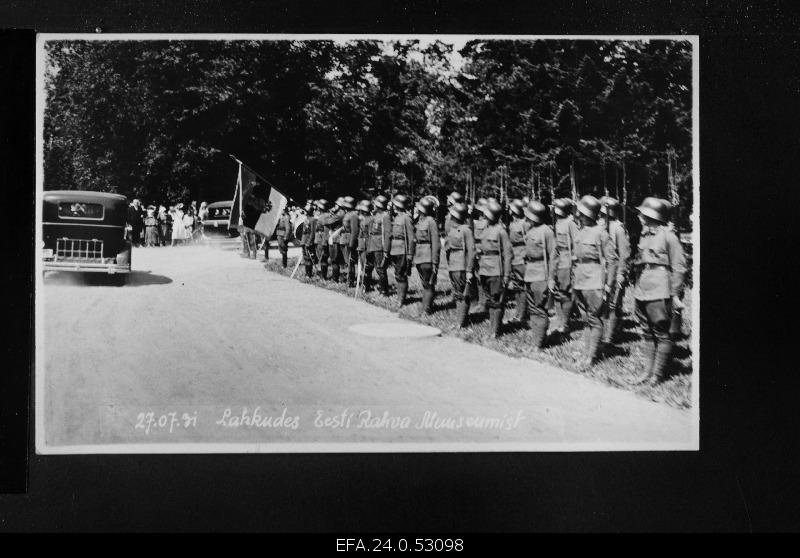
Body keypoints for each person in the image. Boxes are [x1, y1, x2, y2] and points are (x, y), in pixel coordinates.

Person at [630, 197, 687, 386]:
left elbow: (679, 267)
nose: (639, 215)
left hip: (660, 289)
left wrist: (675, 294)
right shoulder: (645, 235)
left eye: (642, 213)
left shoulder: (669, 236)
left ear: (651, 215)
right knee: (647, 332)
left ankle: (658, 374)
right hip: (643, 287)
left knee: (662, 332)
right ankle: (647, 372)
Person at [571, 195, 619, 369]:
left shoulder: (601, 233)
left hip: (594, 280)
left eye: (582, 213)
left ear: (588, 214)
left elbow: (612, 261)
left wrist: (608, 284)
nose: (579, 216)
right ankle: (586, 352)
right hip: (580, 279)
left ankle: (592, 356)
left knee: (594, 318)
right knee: (586, 319)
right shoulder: (580, 231)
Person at [522, 200, 557, 349]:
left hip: (540, 274)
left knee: (539, 309)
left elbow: (553, 256)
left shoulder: (546, 231)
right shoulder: (530, 230)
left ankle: (539, 343)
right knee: (532, 309)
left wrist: (551, 279)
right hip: (530, 272)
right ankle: (536, 339)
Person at [598, 196, 631, 346]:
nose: (601, 216)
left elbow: (624, 253)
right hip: (604, 269)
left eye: (603, 213)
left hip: (616, 269)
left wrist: (621, 273)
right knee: (603, 302)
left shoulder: (618, 228)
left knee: (613, 305)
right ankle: (604, 333)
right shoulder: (601, 226)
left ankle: (609, 337)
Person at [477, 199, 512, 338]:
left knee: (497, 301)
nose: (484, 216)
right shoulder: (486, 230)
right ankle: (492, 327)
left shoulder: (501, 231)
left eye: (487, 214)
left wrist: (507, 275)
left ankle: (496, 331)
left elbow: (508, 254)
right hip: (484, 268)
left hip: (496, 270)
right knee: (490, 300)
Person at [444, 201, 476, 327]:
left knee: (463, 294)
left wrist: (469, 270)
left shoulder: (466, 230)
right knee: (458, 294)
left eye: (452, 215)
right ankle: (459, 321)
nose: (450, 217)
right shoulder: (453, 230)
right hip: (453, 264)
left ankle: (461, 322)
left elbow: (471, 251)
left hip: (461, 266)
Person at [552, 198, 579, 339]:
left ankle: (565, 323)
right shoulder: (558, 222)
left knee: (566, 293)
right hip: (557, 259)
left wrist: (574, 260)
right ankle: (560, 320)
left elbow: (577, 243)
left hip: (567, 261)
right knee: (557, 292)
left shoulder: (570, 224)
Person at [413, 197, 441, 316]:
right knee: (424, 283)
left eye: (419, 209)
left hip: (428, 256)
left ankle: (427, 309)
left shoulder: (431, 222)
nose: (418, 211)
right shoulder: (420, 221)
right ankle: (425, 306)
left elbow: (436, 243)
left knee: (429, 283)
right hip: (419, 255)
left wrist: (435, 261)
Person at [388, 194, 416, 307]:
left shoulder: (406, 218)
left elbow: (411, 238)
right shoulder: (396, 217)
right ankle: (400, 297)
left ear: (398, 206)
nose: (392, 207)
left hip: (402, 250)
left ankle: (401, 299)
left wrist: (410, 254)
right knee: (397, 274)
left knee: (401, 274)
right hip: (395, 249)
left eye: (394, 205)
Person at [507, 199, 532, 324]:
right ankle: (519, 312)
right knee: (517, 287)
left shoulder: (525, 224)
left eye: (511, 208)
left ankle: (522, 314)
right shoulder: (512, 224)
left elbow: (529, 241)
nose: (510, 211)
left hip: (522, 258)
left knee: (523, 287)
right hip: (514, 257)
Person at [367, 194, 392, 296]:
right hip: (373, 244)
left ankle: (384, 291)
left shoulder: (385, 216)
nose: (374, 205)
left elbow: (387, 234)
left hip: (380, 246)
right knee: (374, 267)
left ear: (379, 205)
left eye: (375, 204)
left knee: (380, 269)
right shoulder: (375, 216)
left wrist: (386, 250)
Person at [471, 197, 490, 314]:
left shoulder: (486, 223)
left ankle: (484, 303)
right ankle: (481, 302)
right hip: (477, 252)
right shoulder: (477, 222)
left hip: (483, 254)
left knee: (483, 279)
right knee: (478, 279)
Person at [338, 196, 360, 287]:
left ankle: (350, 281)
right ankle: (349, 279)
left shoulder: (353, 215)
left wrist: (352, 243)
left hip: (349, 241)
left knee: (351, 262)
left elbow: (354, 231)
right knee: (348, 262)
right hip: (344, 240)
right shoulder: (347, 214)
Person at [326, 198, 346, 282]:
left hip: (336, 238)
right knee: (335, 260)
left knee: (334, 260)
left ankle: (335, 279)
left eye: (336, 205)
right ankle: (336, 277)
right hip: (337, 237)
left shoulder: (340, 214)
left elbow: (328, 221)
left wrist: (330, 214)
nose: (335, 206)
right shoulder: (340, 213)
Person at [356, 200, 373, 289]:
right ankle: (364, 283)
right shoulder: (363, 219)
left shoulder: (370, 220)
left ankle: (366, 285)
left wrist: (369, 247)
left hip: (367, 244)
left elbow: (370, 234)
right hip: (362, 244)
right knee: (363, 265)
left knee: (367, 266)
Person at [313, 199, 331, 279]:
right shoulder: (327, 215)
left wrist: (324, 241)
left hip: (321, 239)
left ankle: (323, 276)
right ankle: (322, 274)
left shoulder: (323, 216)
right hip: (322, 238)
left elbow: (326, 229)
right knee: (322, 257)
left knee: (322, 258)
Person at [300, 201, 317, 278]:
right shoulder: (306, 219)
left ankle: (309, 274)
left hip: (308, 242)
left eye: (306, 211)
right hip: (304, 241)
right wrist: (302, 241)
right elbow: (304, 231)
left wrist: (309, 242)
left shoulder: (313, 220)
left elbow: (313, 232)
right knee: (305, 258)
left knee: (309, 258)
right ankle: (307, 273)